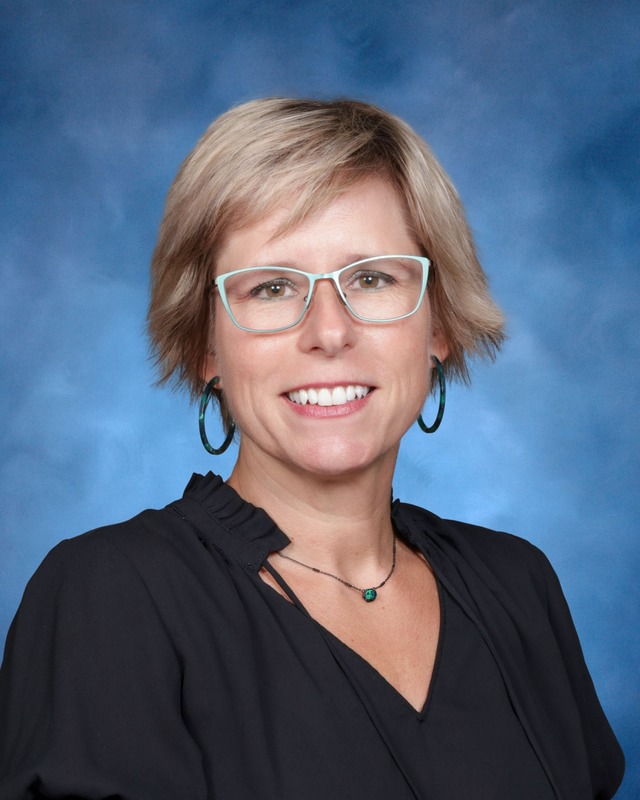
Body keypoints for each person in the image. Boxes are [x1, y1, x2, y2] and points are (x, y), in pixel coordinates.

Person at [0, 98, 624, 799]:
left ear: (438, 326)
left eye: (372, 278)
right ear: (205, 343)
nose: (329, 332)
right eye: (271, 287)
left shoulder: (518, 585)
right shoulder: (107, 597)